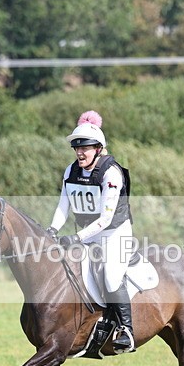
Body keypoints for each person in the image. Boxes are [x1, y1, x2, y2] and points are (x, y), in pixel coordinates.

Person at [47, 111, 135, 353]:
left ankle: (126, 330)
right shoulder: (71, 171)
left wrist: (76, 238)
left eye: (85, 148)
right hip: (88, 233)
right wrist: (52, 229)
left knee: (111, 275)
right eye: (77, 148)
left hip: (115, 233)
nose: (79, 153)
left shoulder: (111, 173)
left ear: (98, 149)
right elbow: (63, 206)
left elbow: (106, 219)